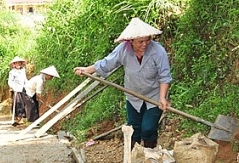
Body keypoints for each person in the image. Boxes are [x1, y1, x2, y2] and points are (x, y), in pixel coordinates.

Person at [74, 17, 172, 149]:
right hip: (133, 96)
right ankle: (132, 160)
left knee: (148, 129)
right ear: (130, 41)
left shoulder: (158, 51)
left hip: (154, 96)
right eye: (140, 41)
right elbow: (106, 63)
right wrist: (88, 70)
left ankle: (150, 158)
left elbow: (164, 76)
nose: (145, 44)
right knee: (133, 129)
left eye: (148, 40)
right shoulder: (123, 50)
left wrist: (162, 98)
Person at [8, 56, 28, 126]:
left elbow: (25, 79)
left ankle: (21, 118)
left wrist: (28, 85)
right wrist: (14, 88)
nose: (18, 64)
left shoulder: (23, 70)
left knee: (23, 104)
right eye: (17, 63)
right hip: (16, 90)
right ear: (14, 64)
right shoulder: (12, 72)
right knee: (18, 104)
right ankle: (18, 118)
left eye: (19, 63)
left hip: (23, 89)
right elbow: (10, 82)